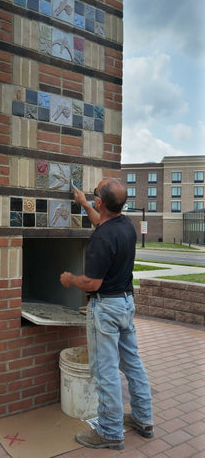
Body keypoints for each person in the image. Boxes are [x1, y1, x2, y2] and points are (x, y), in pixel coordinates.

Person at [60, 178, 153, 450]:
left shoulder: (101, 237)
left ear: (101, 202)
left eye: (95, 195)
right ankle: (143, 420)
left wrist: (70, 279)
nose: (93, 197)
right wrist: (83, 204)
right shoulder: (124, 225)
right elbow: (101, 222)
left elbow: (92, 283)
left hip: (107, 308)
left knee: (106, 372)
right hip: (125, 304)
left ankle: (110, 432)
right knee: (133, 364)